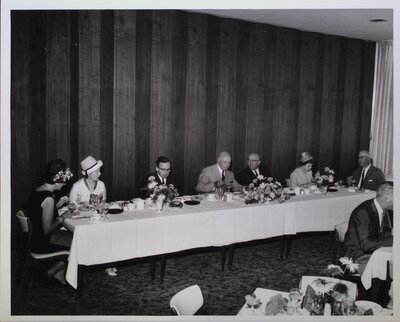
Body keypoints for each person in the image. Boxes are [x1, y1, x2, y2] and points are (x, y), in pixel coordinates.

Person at [25, 159, 74, 286]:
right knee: (76, 243)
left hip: (32, 238)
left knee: (71, 238)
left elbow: (38, 213)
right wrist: (63, 217)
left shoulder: (39, 190)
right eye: (64, 181)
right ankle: (51, 271)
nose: (64, 184)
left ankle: (60, 274)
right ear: (56, 179)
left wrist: (56, 206)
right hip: (41, 242)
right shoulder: (48, 198)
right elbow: (47, 229)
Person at [69, 155, 115, 276]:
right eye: (97, 171)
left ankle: (108, 263)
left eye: (99, 171)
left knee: (109, 231)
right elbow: (71, 207)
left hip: (97, 217)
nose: (99, 174)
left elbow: (104, 201)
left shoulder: (101, 185)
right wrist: (83, 209)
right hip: (80, 219)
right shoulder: (77, 186)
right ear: (88, 173)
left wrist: (101, 206)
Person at [341, 181, 393, 275]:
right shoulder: (363, 212)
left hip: (372, 252)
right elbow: (366, 245)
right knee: (390, 269)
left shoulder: (384, 209)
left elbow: (384, 233)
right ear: (387, 197)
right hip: (356, 257)